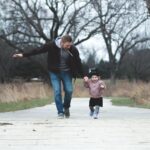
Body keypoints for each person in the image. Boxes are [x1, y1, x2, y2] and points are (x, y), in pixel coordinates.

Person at [13, 35, 84, 119]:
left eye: (70, 45)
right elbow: (38, 50)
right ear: (62, 43)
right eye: (67, 45)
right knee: (57, 91)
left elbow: (78, 62)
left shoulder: (73, 49)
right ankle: (60, 112)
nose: (69, 47)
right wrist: (23, 55)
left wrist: (84, 76)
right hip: (54, 73)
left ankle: (66, 107)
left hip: (67, 72)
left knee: (69, 90)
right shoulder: (51, 45)